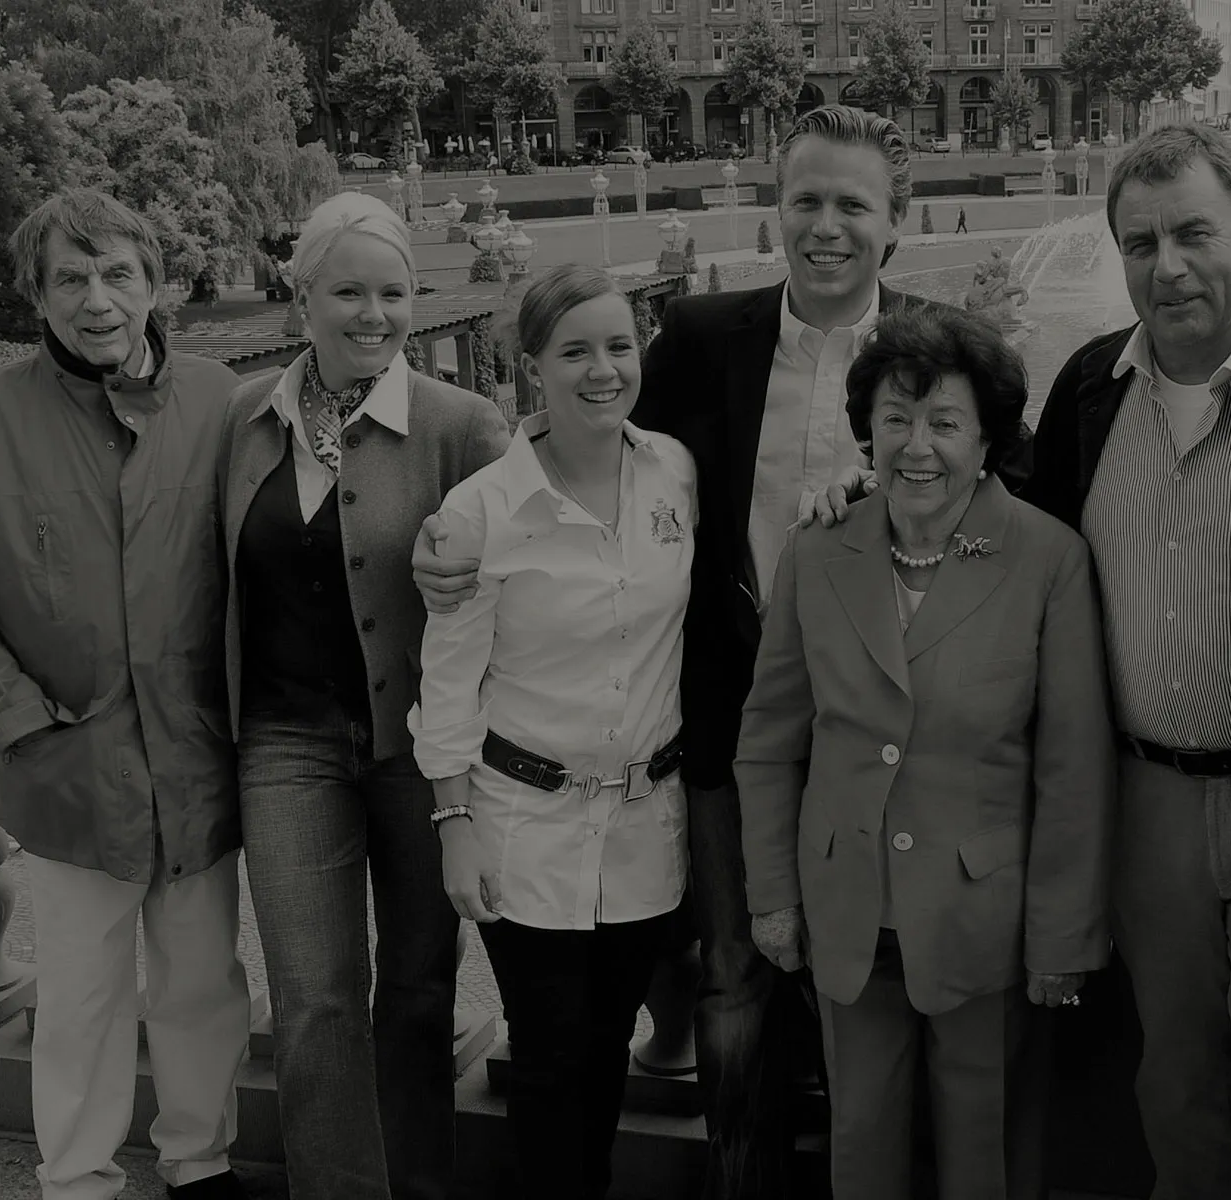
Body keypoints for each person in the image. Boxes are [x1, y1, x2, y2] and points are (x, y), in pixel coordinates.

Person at [413, 104, 1014, 1200]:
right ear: (774, 209)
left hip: (897, 737)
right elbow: (593, 436)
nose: (824, 226)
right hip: (735, 727)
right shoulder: (697, 340)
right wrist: (460, 534)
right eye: (805, 201)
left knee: (876, 984)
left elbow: (1003, 522)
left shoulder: (939, 351)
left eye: (851, 205)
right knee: (735, 978)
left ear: (897, 222)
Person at [0, 188, 252, 1200]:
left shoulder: (218, 400)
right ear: (35, 296)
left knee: (200, 988)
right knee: (81, 1001)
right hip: (67, 772)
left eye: (117, 273)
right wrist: (21, 729)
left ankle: (201, 1164)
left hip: (196, 762)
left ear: (155, 284)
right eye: (70, 277)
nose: (96, 299)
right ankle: (79, 1179)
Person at [737, 308, 1116, 1199]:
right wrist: (773, 897)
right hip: (849, 905)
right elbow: (767, 743)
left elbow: (1073, 771)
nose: (917, 447)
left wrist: (1062, 936)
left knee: (985, 1142)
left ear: (987, 440)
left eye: (945, 423)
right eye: (896, 420)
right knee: (860, 1136)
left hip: (984, 917)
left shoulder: (1048, 560)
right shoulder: (817, 553)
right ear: (867, 429)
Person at [1018, 123, 1231, 1200]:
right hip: (1142, 799)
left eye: (1194, 233)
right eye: (1139, 242)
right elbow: (1019, 546)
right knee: (1175, 1077)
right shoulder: (1089, 388)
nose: (1167, 266)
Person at [218, 191, 509, 1200]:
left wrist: (471, 582)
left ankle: (419, 1184)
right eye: (348, 290)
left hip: (422, 754)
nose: (373, 314)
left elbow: (536, 580)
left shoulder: (461, 425)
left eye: (392, 291)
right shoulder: (239, 417)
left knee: (421, 991)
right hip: (285, 744)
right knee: (312, 999)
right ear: (302, 295)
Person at [410, 265, 696, 1200]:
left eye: (619, 346)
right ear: (532, 367)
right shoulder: (479, 513)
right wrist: (454, 826)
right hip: (522, 826)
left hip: (646, 823)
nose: (603, 370)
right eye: (574, 351)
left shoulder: (675, 472)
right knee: (547, 1057)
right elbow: (447, 684)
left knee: (606, 1052)